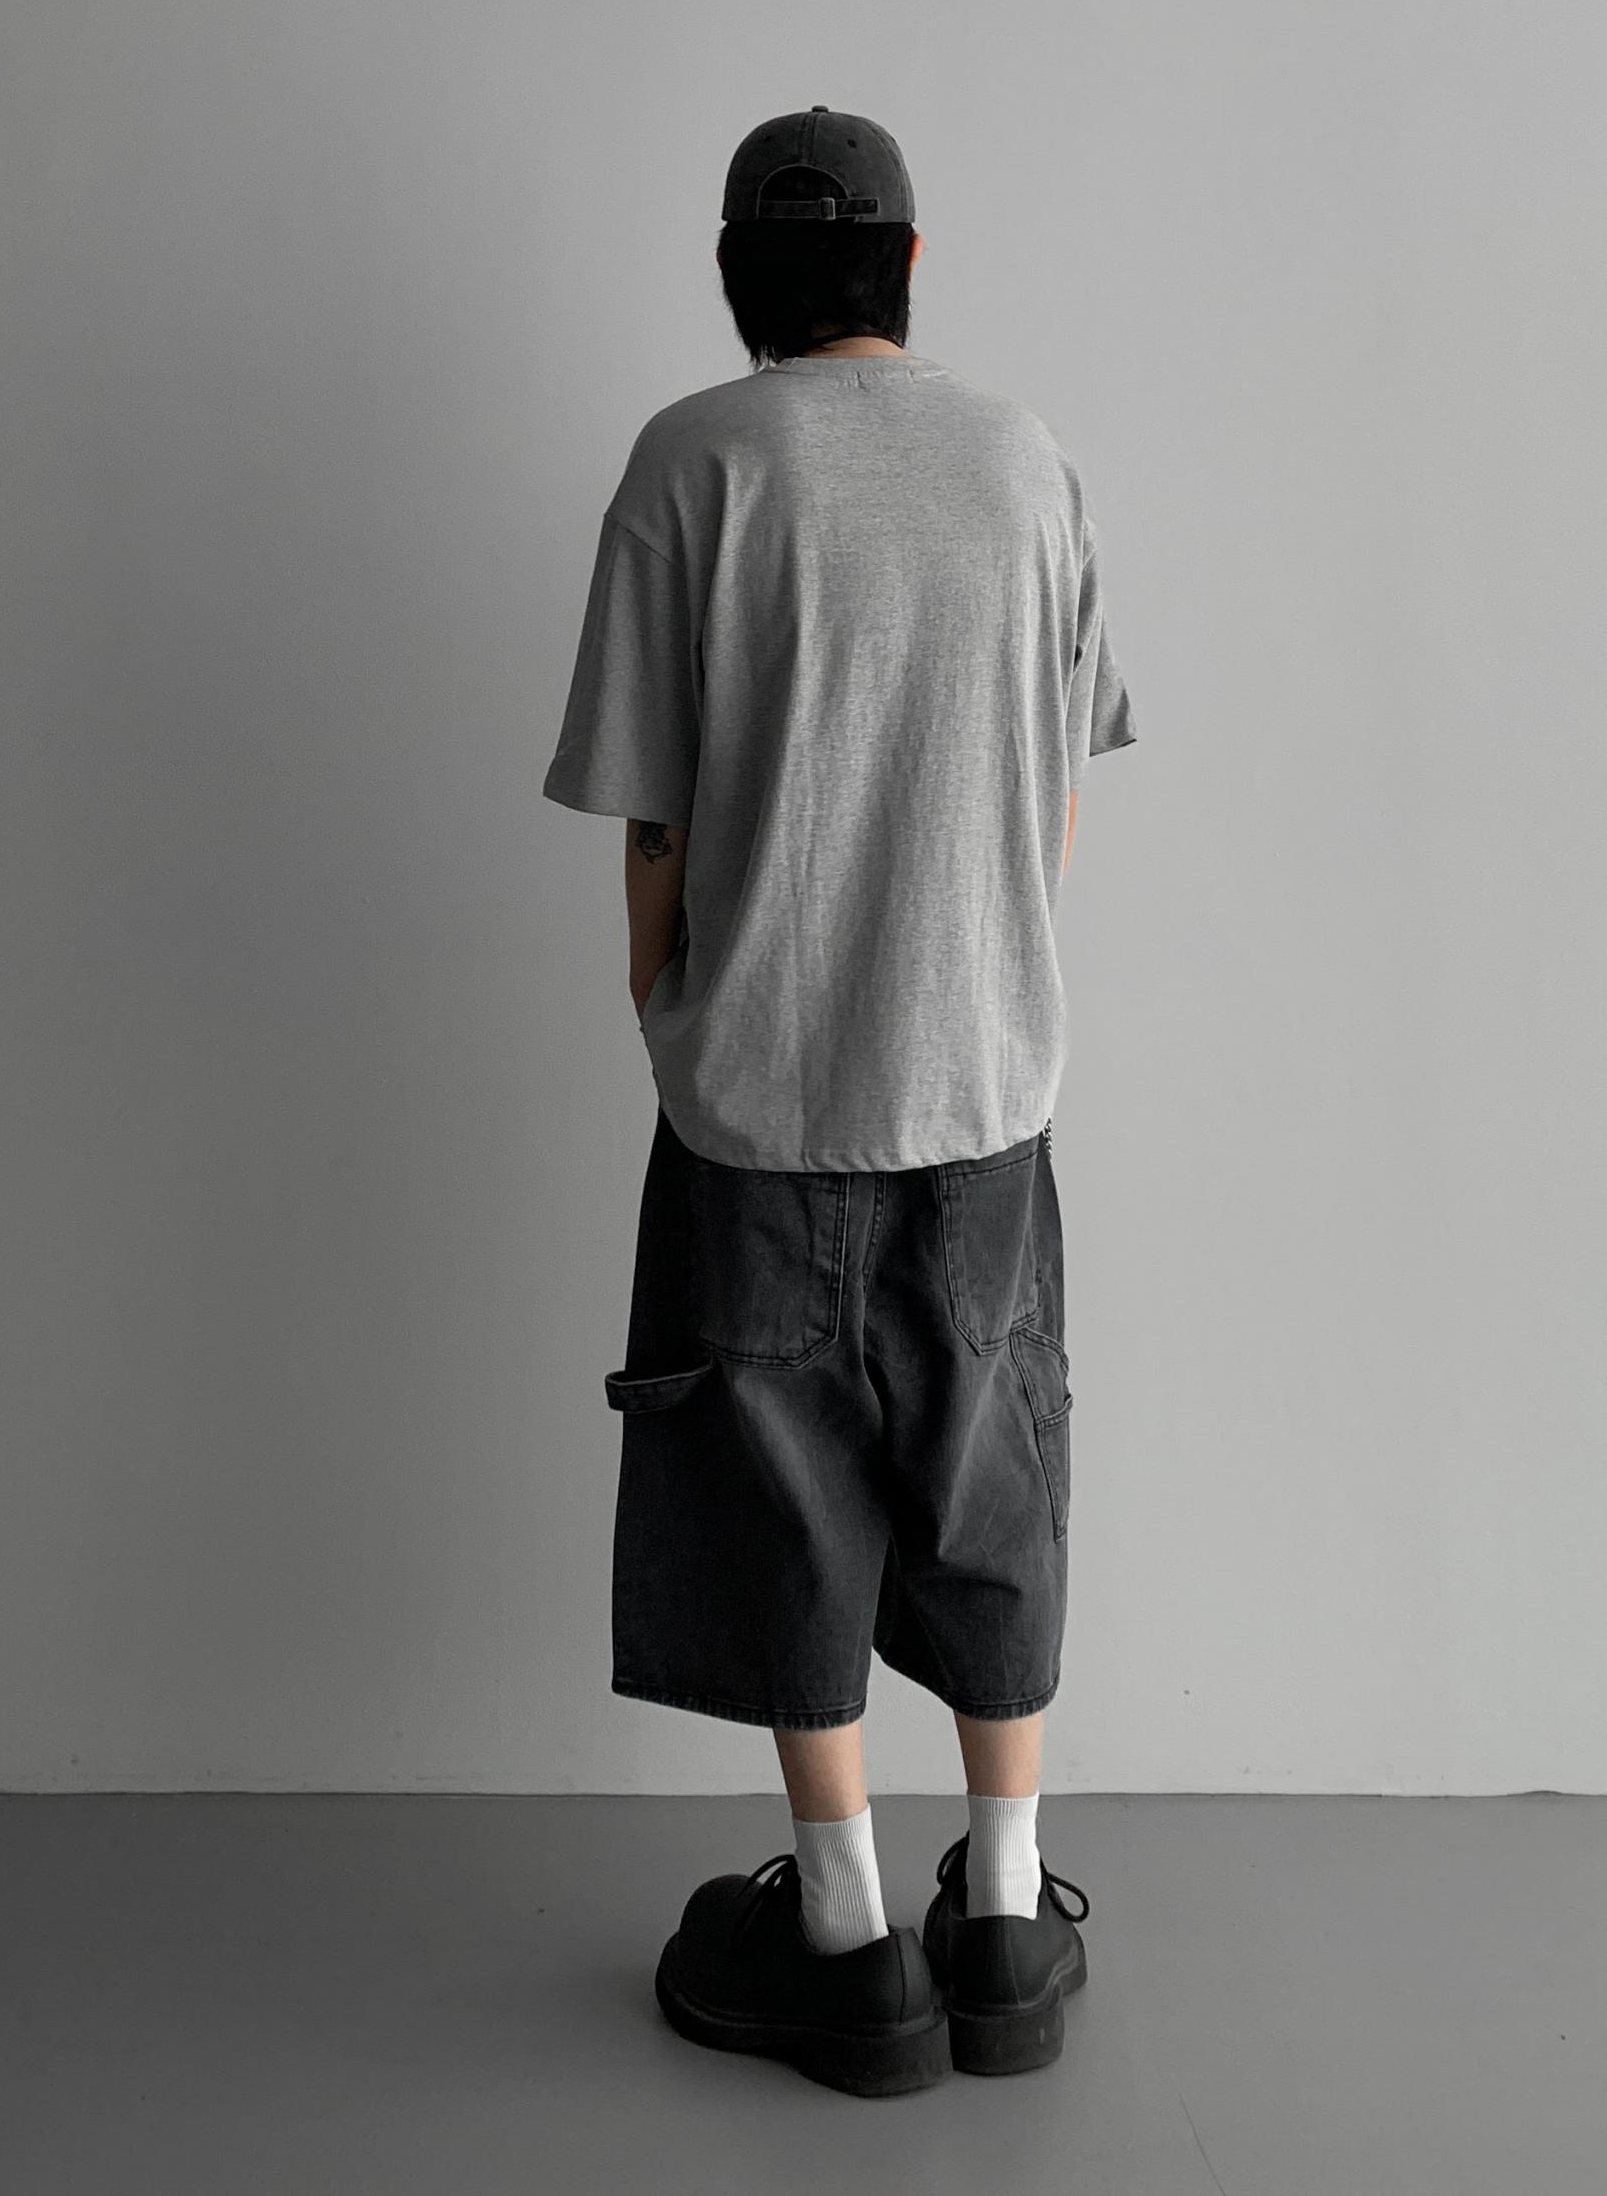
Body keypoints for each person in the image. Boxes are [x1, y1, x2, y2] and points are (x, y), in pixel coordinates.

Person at [541, 105, 1136, 2097]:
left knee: (782, 1484)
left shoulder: (693, 460)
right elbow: (1059, 789)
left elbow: (652, 817)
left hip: (762, 1102)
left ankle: (847, 1941)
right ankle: (1009, 1922)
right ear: (910, 260)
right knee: (994, 1468)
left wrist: (668, 1005)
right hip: (983, 1083)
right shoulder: (1026, 458)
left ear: (740, 273)